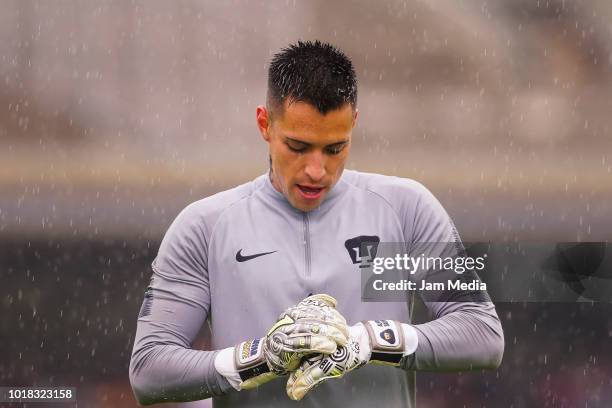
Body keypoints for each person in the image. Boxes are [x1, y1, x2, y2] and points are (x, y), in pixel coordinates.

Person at [129, 40, 504, 407]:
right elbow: (149, 370)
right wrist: (261, 358)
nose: (316, 170)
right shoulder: (205, 227)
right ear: (264, 124)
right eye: (298, 146)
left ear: (354, 124)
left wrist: (368, 342)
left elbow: (482, 334)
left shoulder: (405, 210)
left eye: (334, 148)